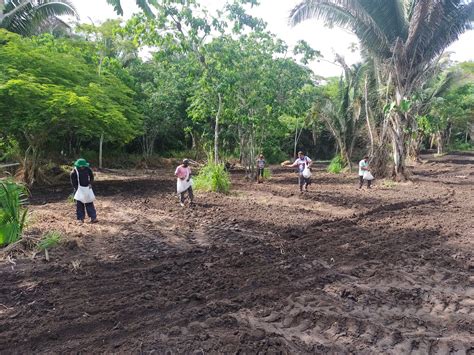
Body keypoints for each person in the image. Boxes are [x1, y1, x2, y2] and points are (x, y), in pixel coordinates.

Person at [70, 158, 98, 224]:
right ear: (79, 166)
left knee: (89, 203)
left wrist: (90, 183)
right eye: (82, 166)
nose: (83, 167)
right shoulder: (74, 172)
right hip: (78, 190)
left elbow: (91, 176)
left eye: (84, 166)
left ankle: (93, 217)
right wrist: (77, 189)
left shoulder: (87, 169)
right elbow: (73, 182)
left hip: (87, 188)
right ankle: (80, 219)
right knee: (79, 205)